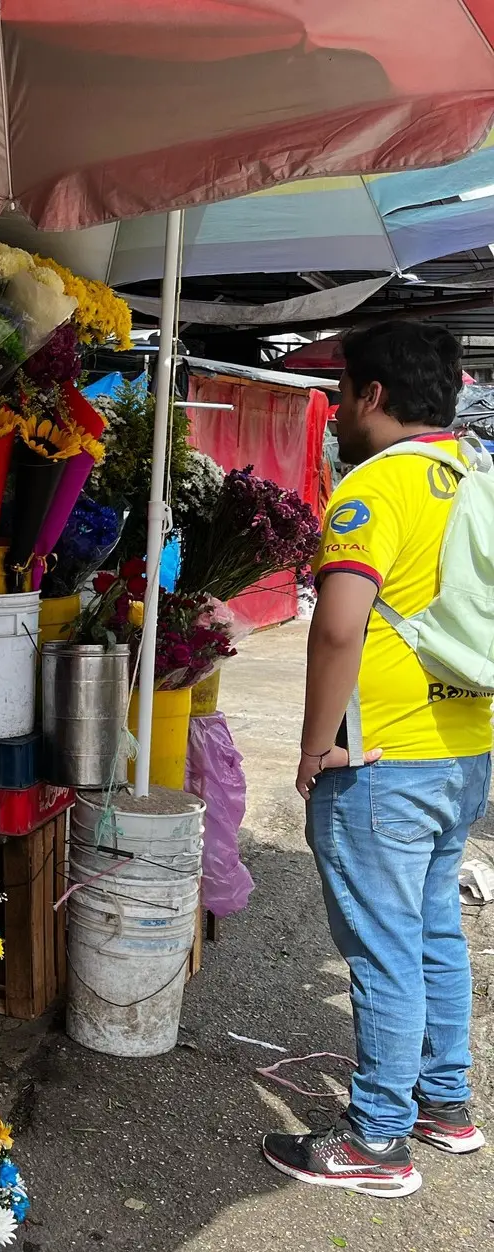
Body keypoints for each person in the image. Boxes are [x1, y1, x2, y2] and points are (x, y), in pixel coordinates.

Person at [262, 322, 492, 1198]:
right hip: (466, 748)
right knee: (434, 928)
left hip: (384, 756)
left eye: (345, 394)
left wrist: (317, 744)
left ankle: (377, 1140)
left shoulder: (376, 486)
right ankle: (445, 1103)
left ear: (374, 396)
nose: (336, 418)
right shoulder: (474, 475)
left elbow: (338, 622)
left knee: (385, 948)